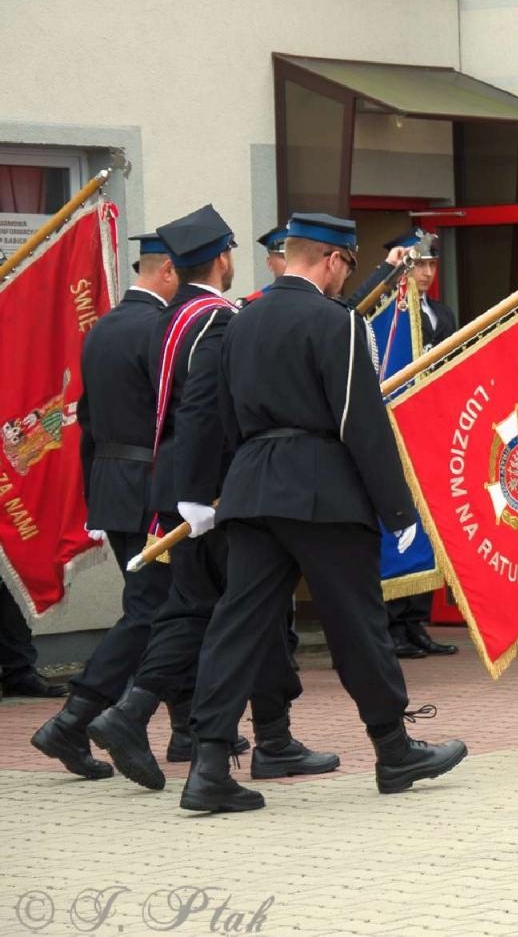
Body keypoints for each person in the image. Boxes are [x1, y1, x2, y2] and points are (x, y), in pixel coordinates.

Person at [179, 212, 466, 812]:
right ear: (333, 260)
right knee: (357, 625)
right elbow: (360, 419)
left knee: (239, 625)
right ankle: (394, 750)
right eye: (347, 267)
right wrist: (397, 506)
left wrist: (218, 487)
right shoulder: (336, 322)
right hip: (322, 491)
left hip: (253, 487)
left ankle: (207, 764)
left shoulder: (240, 319)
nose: (344, 280)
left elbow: (219, 415)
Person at [87, 206, 333, 791]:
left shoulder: (172, 316)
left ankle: (147, 716)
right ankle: (257, 736)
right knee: (245, 609)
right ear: (224, 257)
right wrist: (209, 490)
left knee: (195, 609)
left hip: (175, 484)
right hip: (215, 490)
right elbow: (206, 409)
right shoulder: (216, 318)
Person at [31, 231, 176, 778]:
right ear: (166, 273)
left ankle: (179, 730)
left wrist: (97, 495)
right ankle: (76, 719)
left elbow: (89, 420)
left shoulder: (103, 329)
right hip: (152, 485)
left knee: (163, 607)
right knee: (158, 610)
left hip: (114, 484)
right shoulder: (160, 328)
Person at [371, 230, 459, 660]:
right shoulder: (384, 316)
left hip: (433, 430)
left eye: (431, 265)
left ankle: (414, 622)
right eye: (418, 264)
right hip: (395, 431)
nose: (425, 273)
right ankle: (391, 622)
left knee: (429, 524)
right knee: (397, 524)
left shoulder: (442, 313)